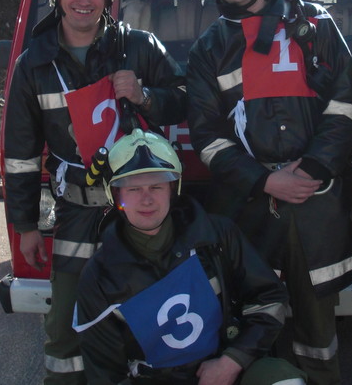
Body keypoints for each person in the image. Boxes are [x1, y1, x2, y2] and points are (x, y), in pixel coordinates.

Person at [185, 0, 352, 384]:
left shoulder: (316, 25)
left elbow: (346, 103)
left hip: (314, 198)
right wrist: (265, 180)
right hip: (251, 205)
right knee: (250, 316)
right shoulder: (210, 49)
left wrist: (311, 169)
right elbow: (207, 136)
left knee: (316, 325)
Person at [1, 0, 187, 385]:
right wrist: (25, 225)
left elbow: (185, 103)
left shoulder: (140, 47)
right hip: (78, 214)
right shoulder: (34, 65)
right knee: (65, 328)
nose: (84, 0)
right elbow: (21, 155)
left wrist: (144, 96)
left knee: (159, 322)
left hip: (144, 214)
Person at [74, 129, 307, 385]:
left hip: (224, 374)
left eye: (157, 186)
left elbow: (270, 299)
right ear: (114, 196)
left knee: (281, 379)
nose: (147, 199)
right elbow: (105, 375)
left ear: (173, 189)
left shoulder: (217, 236)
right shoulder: (99, 276)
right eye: (133, 189)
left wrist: (232, 361)